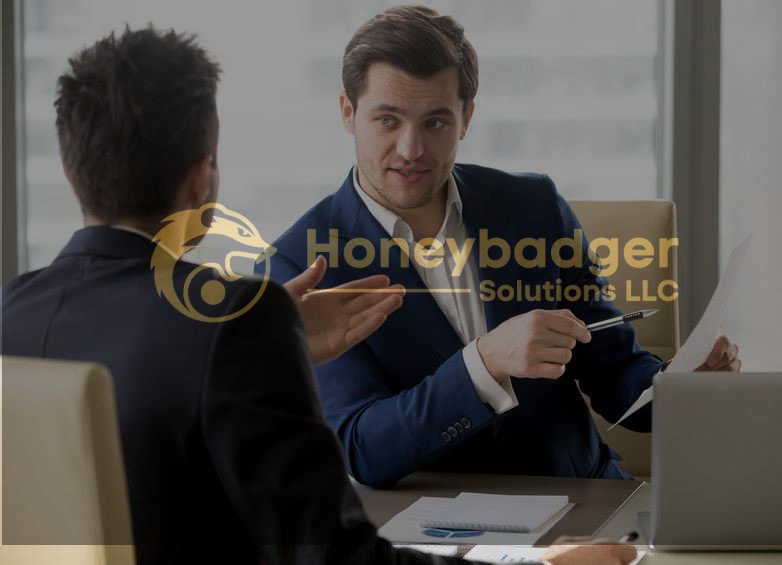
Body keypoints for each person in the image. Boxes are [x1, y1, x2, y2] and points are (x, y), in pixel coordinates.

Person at [0, 25, 635, 565]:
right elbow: (333, 553)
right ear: (204, 178)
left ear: (71, 165)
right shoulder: (235, 323)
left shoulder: (10, 317)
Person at [265, 4, 741, 489]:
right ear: (349, 113)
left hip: (584, 507)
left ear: (466, 118)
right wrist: (484, 362)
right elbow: (364, 449)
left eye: (435, 123)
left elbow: (615, 374)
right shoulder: (300, 263)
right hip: (432, 531)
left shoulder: (533, 205)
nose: (410, 150)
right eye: (387, 120)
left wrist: (679, 387)